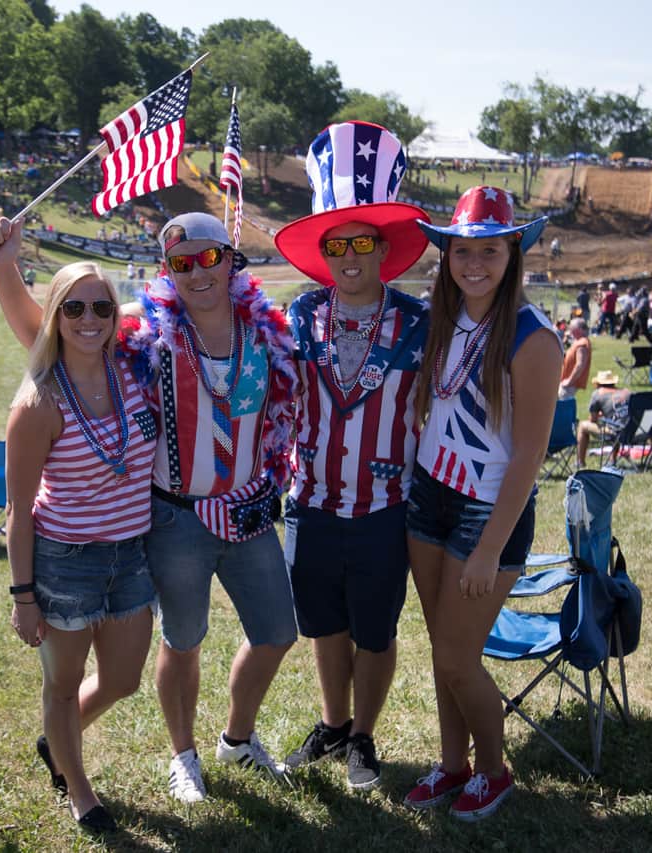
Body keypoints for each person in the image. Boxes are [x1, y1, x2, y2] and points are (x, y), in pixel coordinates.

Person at [0, 210, 299, 804]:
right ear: (166, 270)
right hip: (174, 516)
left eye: (209, 258)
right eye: (182, 262)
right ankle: (183, 755)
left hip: (251, 510)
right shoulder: (143, 328)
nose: (198, 272)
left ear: (232, 260)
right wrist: (4, 270)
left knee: (279, 631)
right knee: (183, 640)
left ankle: (237, 736)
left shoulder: (268, 329)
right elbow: (52, 331)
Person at [272, 122, 432, 791]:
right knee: (325, 625)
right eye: (337, 243)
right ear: (323, 250)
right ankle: (334, 723)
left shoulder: (421, 322)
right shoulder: (298, 314)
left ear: (383, 245)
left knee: (375, 630)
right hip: (309, 503)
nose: (350, 255)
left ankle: (365, 733)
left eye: (362, 240)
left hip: (382, 510)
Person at [406, 186, 561, 820]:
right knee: (443, 646)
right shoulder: (444, 318)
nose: (474, 263)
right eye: (463, 250)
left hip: (487, 510)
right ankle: (452, 766)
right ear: (447, 255)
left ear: (512, 254)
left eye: (489, 251)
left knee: (457, 656)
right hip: (428, 495)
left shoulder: (534, 336)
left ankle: (494, 772)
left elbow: (528, 456)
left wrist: (490, 548)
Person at [4, 261, 158, 833]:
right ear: (55, 316)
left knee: (123, 680)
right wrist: (24, 597)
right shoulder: (38, 403)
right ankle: (79, 791)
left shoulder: (135, 373)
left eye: (101, 307)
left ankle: (56, 745)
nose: (89, 319)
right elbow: (19, 511)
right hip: (65, 563)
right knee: (63, 686)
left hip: (131, 556)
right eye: (74, 308)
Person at [576, 370, 631, 468]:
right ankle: (612, 459)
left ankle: (580, 461)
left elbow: (593, 419)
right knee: (616, 423)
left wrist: (599, 416)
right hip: (633, 431)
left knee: (582, 426)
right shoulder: (626, 392)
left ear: (598, 384)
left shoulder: (598, 394)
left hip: (615, 432)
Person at [558, 317, 592, 399]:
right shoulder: (578, 341)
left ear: (579, 330)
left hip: (569, 384)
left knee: (563, 404)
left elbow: (580, 365)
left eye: (572, 328)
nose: (570, 331)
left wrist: (569, 381)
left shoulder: (582, 344)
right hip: (566, 380)